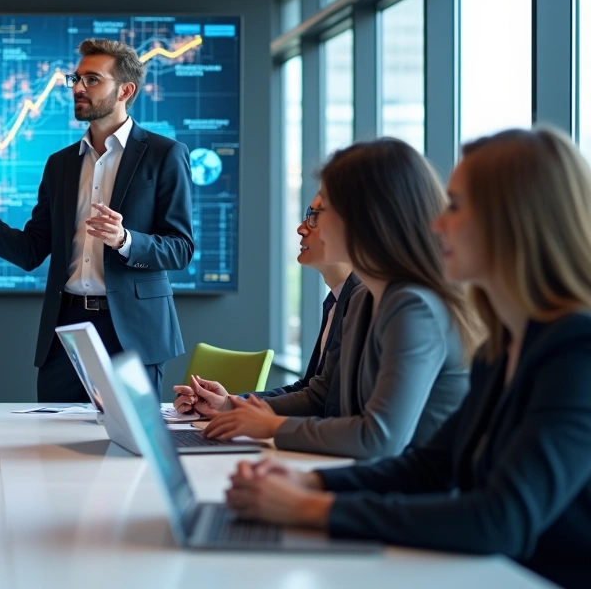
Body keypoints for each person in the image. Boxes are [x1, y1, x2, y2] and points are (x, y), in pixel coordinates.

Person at [224, 127, 591, 588]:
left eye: (455, 207)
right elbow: (431, 465)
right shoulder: (507, 344)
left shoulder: (576, 352)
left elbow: (502, 518)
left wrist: (310, 508)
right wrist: (313, 484)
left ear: (515, 221)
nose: (437, 224)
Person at [0, 38, 195, 402]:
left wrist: (124, 239)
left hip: (132, 332)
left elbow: (180, 248)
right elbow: (31, 250)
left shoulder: (165, 155)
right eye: (76, 79)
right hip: (66, 331)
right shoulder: (60, 164)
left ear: (125, 90)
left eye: (93, 79)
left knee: (129, 452)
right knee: (51, 445)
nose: (78, 88)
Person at [197, 139, 480, 459]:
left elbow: (379, 438)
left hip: (414, 496)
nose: (308, 226)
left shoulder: (413, 306)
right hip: (373, 481)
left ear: (366, 217)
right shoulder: (362, 300)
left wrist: (273, 427)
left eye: (322, 210)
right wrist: (237, 409)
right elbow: (326, 400)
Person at [174, 192, 363, 417]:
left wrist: (237, 410)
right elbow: (309, 388)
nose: (301, 228)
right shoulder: (336, 301)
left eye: (314, 218)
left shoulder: (361, 302)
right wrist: (228, 403)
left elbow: (319, 399)